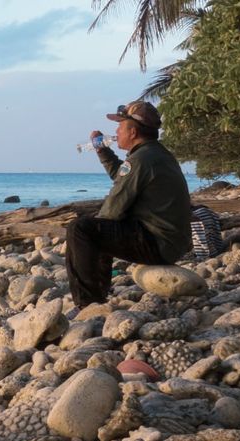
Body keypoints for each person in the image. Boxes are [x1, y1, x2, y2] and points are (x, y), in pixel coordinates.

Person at [67, 100, 192, 308]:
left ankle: (87, 304)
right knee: (100, 226)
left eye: (120, 126)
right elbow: (122, 176)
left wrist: (95, 229)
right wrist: (103, 151)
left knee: (81, 229)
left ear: (132, 132)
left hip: (159, 244)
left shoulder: (141, 160)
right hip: (171, 241)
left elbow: (113, 210)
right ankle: (99, 292)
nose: (116, 131)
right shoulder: (155, 154)